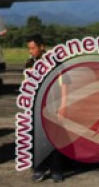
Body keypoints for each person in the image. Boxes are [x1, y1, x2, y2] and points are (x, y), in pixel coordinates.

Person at [27, 34, 63, 182]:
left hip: (53, 106)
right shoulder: (29, 63)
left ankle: (56, 170)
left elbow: (65, 84)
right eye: (29, 48)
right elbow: (27, 86)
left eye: (33, 48)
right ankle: (39, 169)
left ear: (42, 47)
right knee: (37, 139)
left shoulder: (55, 62)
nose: (31, 51)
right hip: (35, 108)